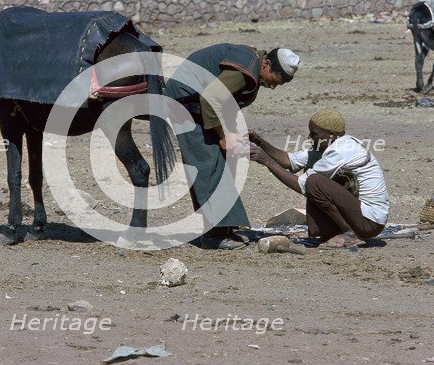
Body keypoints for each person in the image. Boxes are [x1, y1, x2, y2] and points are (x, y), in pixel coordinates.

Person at [165, 44, 300, 249]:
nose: (272, 87)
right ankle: (214, 236)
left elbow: (224, 100)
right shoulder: (245, 69)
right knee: (207, 160)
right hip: (185, 102)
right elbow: (210, 99)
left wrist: (233, 132)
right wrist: (222, 136)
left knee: (224, 160)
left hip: (200, 105)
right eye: (274, 81)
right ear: (267, 64)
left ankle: (225, 228)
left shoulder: (253, 65)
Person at [248, 109, 389, 248]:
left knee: (314, 181)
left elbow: (301, 185)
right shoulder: (328, 146)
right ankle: (336, 232)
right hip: (361, 217)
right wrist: (259, 141)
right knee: (312, 174)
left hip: (370, 221)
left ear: (331, 134)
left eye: (314, 134)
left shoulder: (342, 150)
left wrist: (267, 161)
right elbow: (288, 161)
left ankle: (349, 233)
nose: (309, 137)